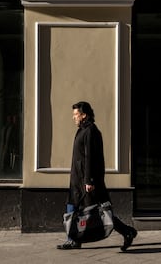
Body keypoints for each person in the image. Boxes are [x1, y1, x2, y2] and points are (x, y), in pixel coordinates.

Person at [57, 101, 137, 251]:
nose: (73, 117)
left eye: (76, 114)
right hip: (78, 180)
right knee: (75, 208)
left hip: (85, 181)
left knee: (100, 212)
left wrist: (89, 180)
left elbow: (91, 158)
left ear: (84, 115)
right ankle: (74, 239)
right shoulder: (82, 130)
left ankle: (127, 232)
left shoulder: (91, 131)